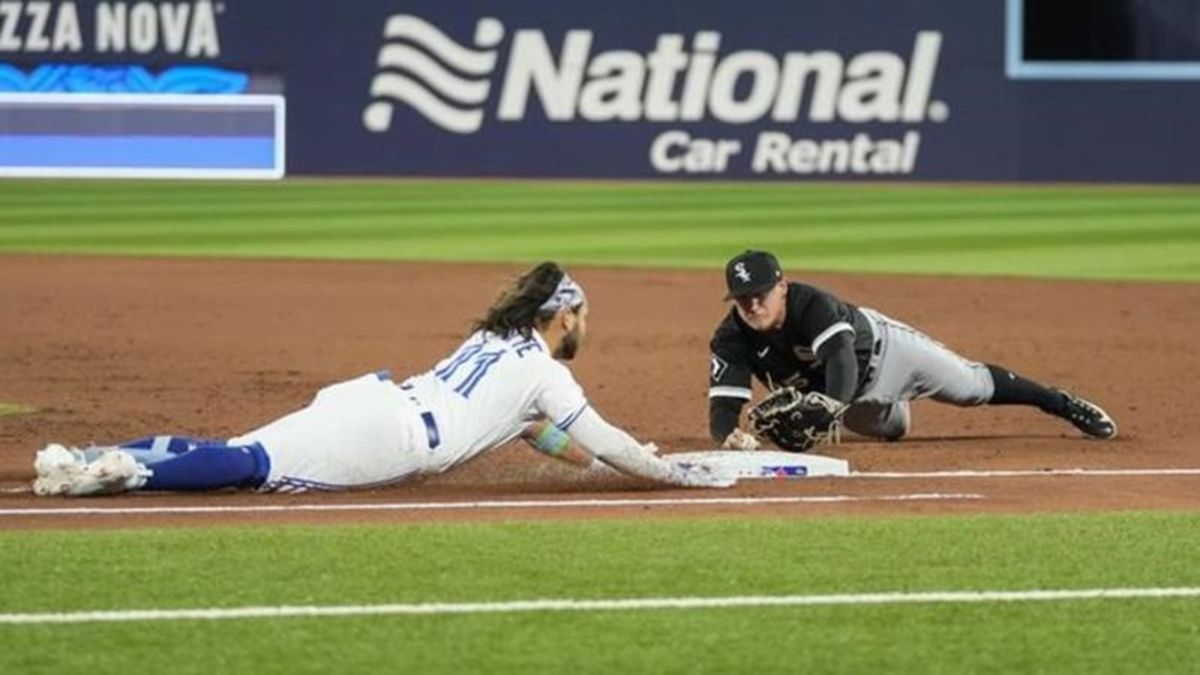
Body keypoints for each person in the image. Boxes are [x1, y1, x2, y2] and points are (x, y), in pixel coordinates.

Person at [33, 262, 735, 497]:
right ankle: (126, 475)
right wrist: (667, 472)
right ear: (566, 316)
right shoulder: (542, 372)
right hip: (390, 437)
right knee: (250, 468)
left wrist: (587, 466)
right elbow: (605, 438)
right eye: (585, 315)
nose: (590, 325)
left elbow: (541, 432)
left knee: (239, 449)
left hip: (368, 399)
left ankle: (91, 456)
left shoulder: (498, 340)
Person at [708, 250, 1117, 452]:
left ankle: (1060, 403)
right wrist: (727, 438)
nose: (753, 305)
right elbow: (724, 404)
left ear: (781, 286)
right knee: (894, 432)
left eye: (760, 294)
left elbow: (841, 359)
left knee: (971, 387)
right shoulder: (731, 337)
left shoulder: (811, 304)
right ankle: (892, 411)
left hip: (890, 355)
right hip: (847, 399)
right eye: (742, 299)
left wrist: (830, 405)